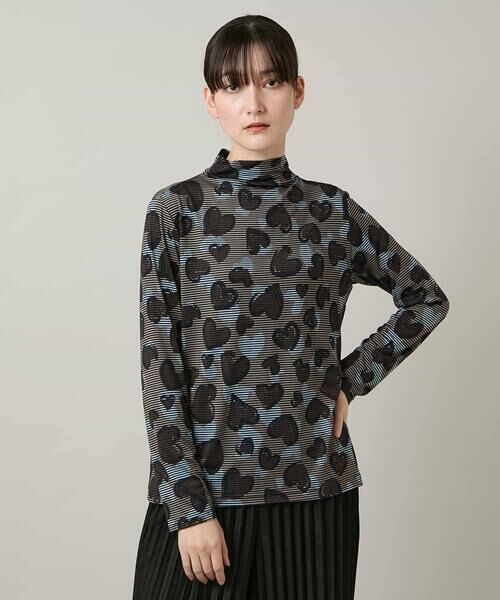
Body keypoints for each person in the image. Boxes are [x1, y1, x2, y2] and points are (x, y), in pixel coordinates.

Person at [133, 14, 450, 600]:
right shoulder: (177, 211)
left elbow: (425, 300)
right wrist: (188, 507)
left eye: (271, 81)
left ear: (297, 91)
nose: (254, 102)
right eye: (233, 85)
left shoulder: (332, 212)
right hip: (208, 496)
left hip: (316, 496)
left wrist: (349, 381)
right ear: (210, 100)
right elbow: (160, 368)